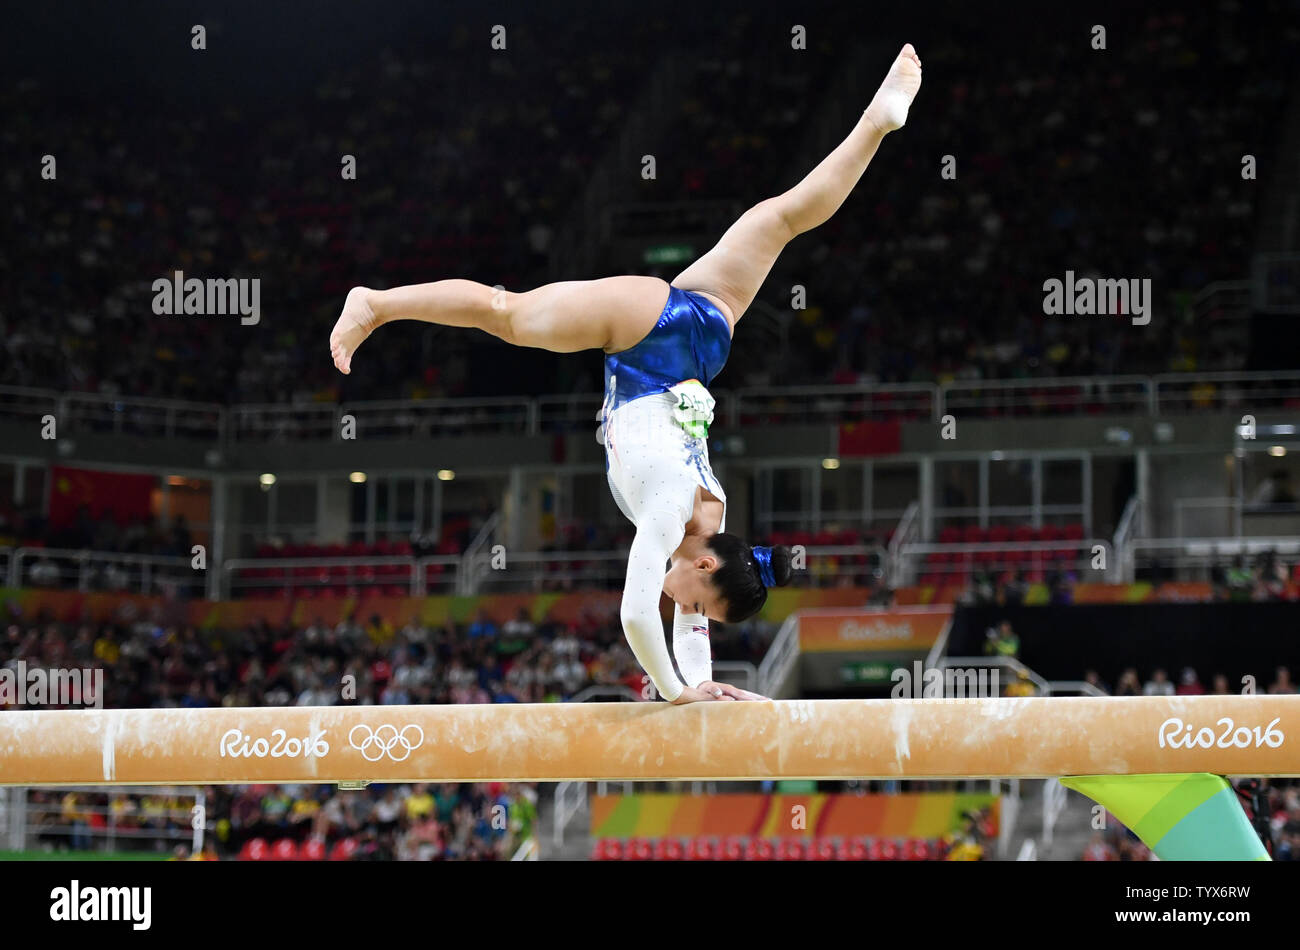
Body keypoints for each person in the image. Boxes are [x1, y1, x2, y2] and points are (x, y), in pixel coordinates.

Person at [329, 46, 924, 703]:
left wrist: (705, 684)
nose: (690, 613)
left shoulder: (711, 518)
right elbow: (637, 615)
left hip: (703, 341)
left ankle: (876, 121)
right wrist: (674, 691)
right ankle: (376, 303)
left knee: (782, 219)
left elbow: (690, 612)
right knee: (505, 313)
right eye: (701, 602)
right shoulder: (672, 516)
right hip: (646, 339)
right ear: (704, 564)